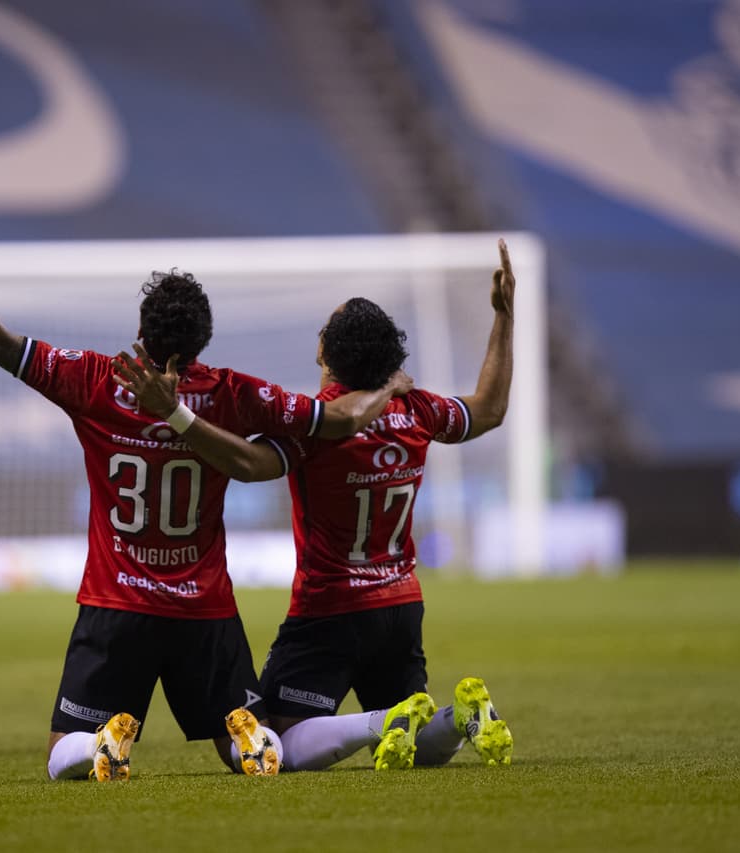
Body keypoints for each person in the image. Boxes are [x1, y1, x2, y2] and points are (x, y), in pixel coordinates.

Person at [0, 213, 407, 781]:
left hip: (117, 607)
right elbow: (336, 420)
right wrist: (386, 385)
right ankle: (266, 739)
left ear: (141, 331)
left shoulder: (94, 379)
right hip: (204, 611)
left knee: (63, 753)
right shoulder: (236, 394)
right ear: (203, 340)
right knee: (243, 740)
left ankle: (99, 746)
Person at [114, 238, 518, 772]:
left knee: (272, 741)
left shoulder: (315, 427)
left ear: (327, 353)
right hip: (400, 606)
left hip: (329, 610)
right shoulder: (416, 409)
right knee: (413, 732)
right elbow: (488, 410)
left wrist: (179, 418)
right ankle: (465, 716)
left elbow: (249, 465)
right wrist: (502, 318)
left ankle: (380, 724)